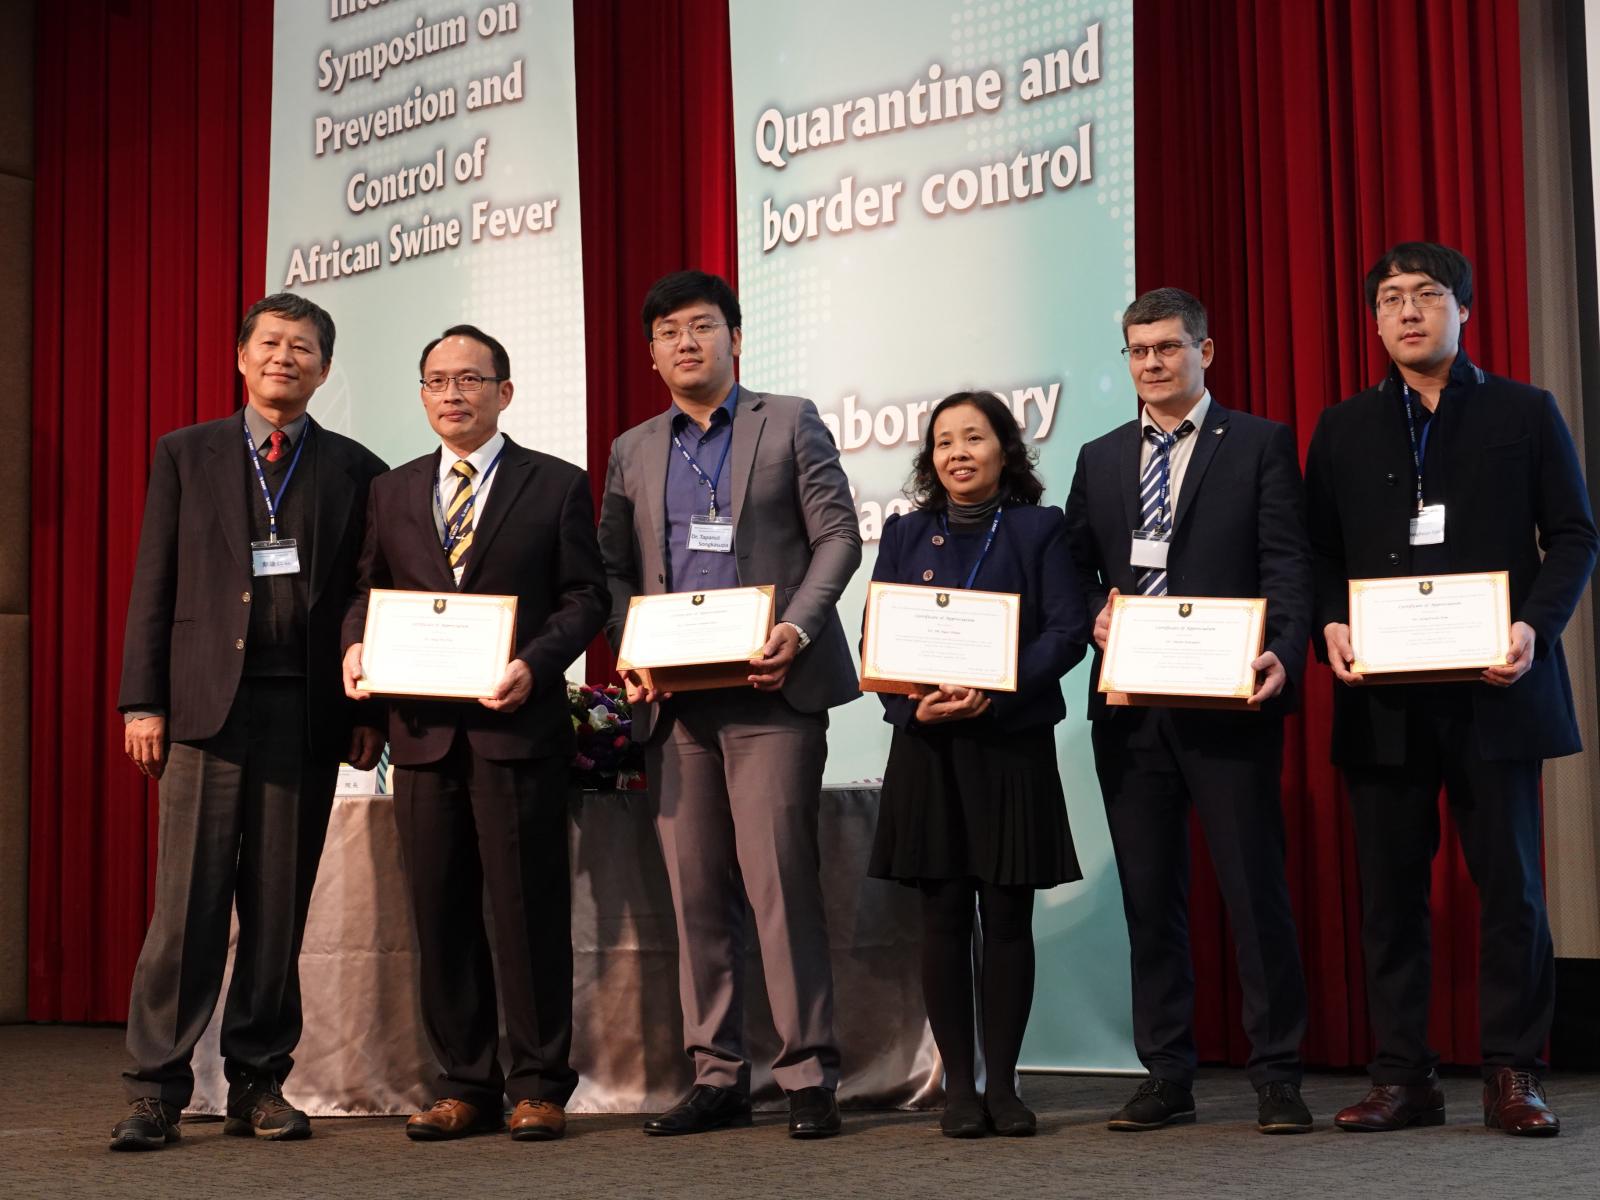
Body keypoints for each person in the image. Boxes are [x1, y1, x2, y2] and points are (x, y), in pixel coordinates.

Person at [1306, 242, 1598, 1137]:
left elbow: (1575, 536)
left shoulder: (1525, 410)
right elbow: (1315, 556)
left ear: (1463, 309)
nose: (1406, 311)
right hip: (1384, 701)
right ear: (1375, 319)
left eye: (1426, 295)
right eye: (1389, 298)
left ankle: (1515, 1072)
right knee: (1390, 895)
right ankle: (1405, 1078)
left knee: (1510, 890)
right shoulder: (1343, 426)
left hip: (1494, 691)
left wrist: (1532, 628)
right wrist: (1329, 624)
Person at [112, 294, 387, 1150]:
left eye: (303, 348)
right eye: (270, 343)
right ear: (242, 356)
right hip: (202, 711)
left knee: (278, 911)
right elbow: (154, 580)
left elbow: (361, 599)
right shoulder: (186, 454)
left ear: (325, 369)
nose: (285, 358)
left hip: (304, 715)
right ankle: (156, 1087)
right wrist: (142, 699)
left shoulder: (357, 469)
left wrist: (364, 707)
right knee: (186, 911)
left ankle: (259, 1083)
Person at [596, 270, 861, 1139]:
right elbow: (612, 568)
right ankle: (716, 1074)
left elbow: (837, 538)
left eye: (702, 327)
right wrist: (629, 647)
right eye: (668, 332)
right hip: (674, 706)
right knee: (695, 892)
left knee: (781, 882)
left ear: (734, 338)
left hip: (770, 692)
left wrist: (795, 627)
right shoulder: (634, 447)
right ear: (651, 354)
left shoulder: (787, 420)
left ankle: (807, 1072)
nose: (685, 343)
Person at [341, 325, 607, 1142]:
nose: (451, 394)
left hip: (515, 729)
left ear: (505, 392)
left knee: (528, 914)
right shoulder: (392, 490)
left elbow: (586, 599)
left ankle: (537, 1084)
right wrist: (355, 644)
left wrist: (534, 662)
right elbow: (367, 591)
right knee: (441, 912)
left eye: (469, 379)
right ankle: (465, 1083)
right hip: (422, 737)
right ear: (421, 395)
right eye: (435, 381)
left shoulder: (556, 484)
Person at [1064, 287, 1315, 1134]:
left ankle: (1277, 1074)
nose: (1152, 364)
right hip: (1133, 715)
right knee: (1150, 900)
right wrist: (1092, 605)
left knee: (1254, 893)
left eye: (1168, 348)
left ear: (1206, 351)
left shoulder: (1259, 444)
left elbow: (1287, 560)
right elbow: (1069, 564)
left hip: (1230, 702)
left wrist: (1282, 642)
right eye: (1137, 351)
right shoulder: (1099, 458)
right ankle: (1165, 1073)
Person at [867, 391, 1088, 1138]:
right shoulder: (905, 532)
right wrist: (909, 707)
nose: (957, 452)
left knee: (1007, 915)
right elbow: (880, 635)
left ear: (1005, 449)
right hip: (928, 746)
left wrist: (994, 693)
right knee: (942, 918)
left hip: (1008, 744)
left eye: (974, 437)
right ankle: (960, 1087)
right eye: (943, 441)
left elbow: (1066, 632)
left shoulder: (1039, 528)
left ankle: (1006, 1086)